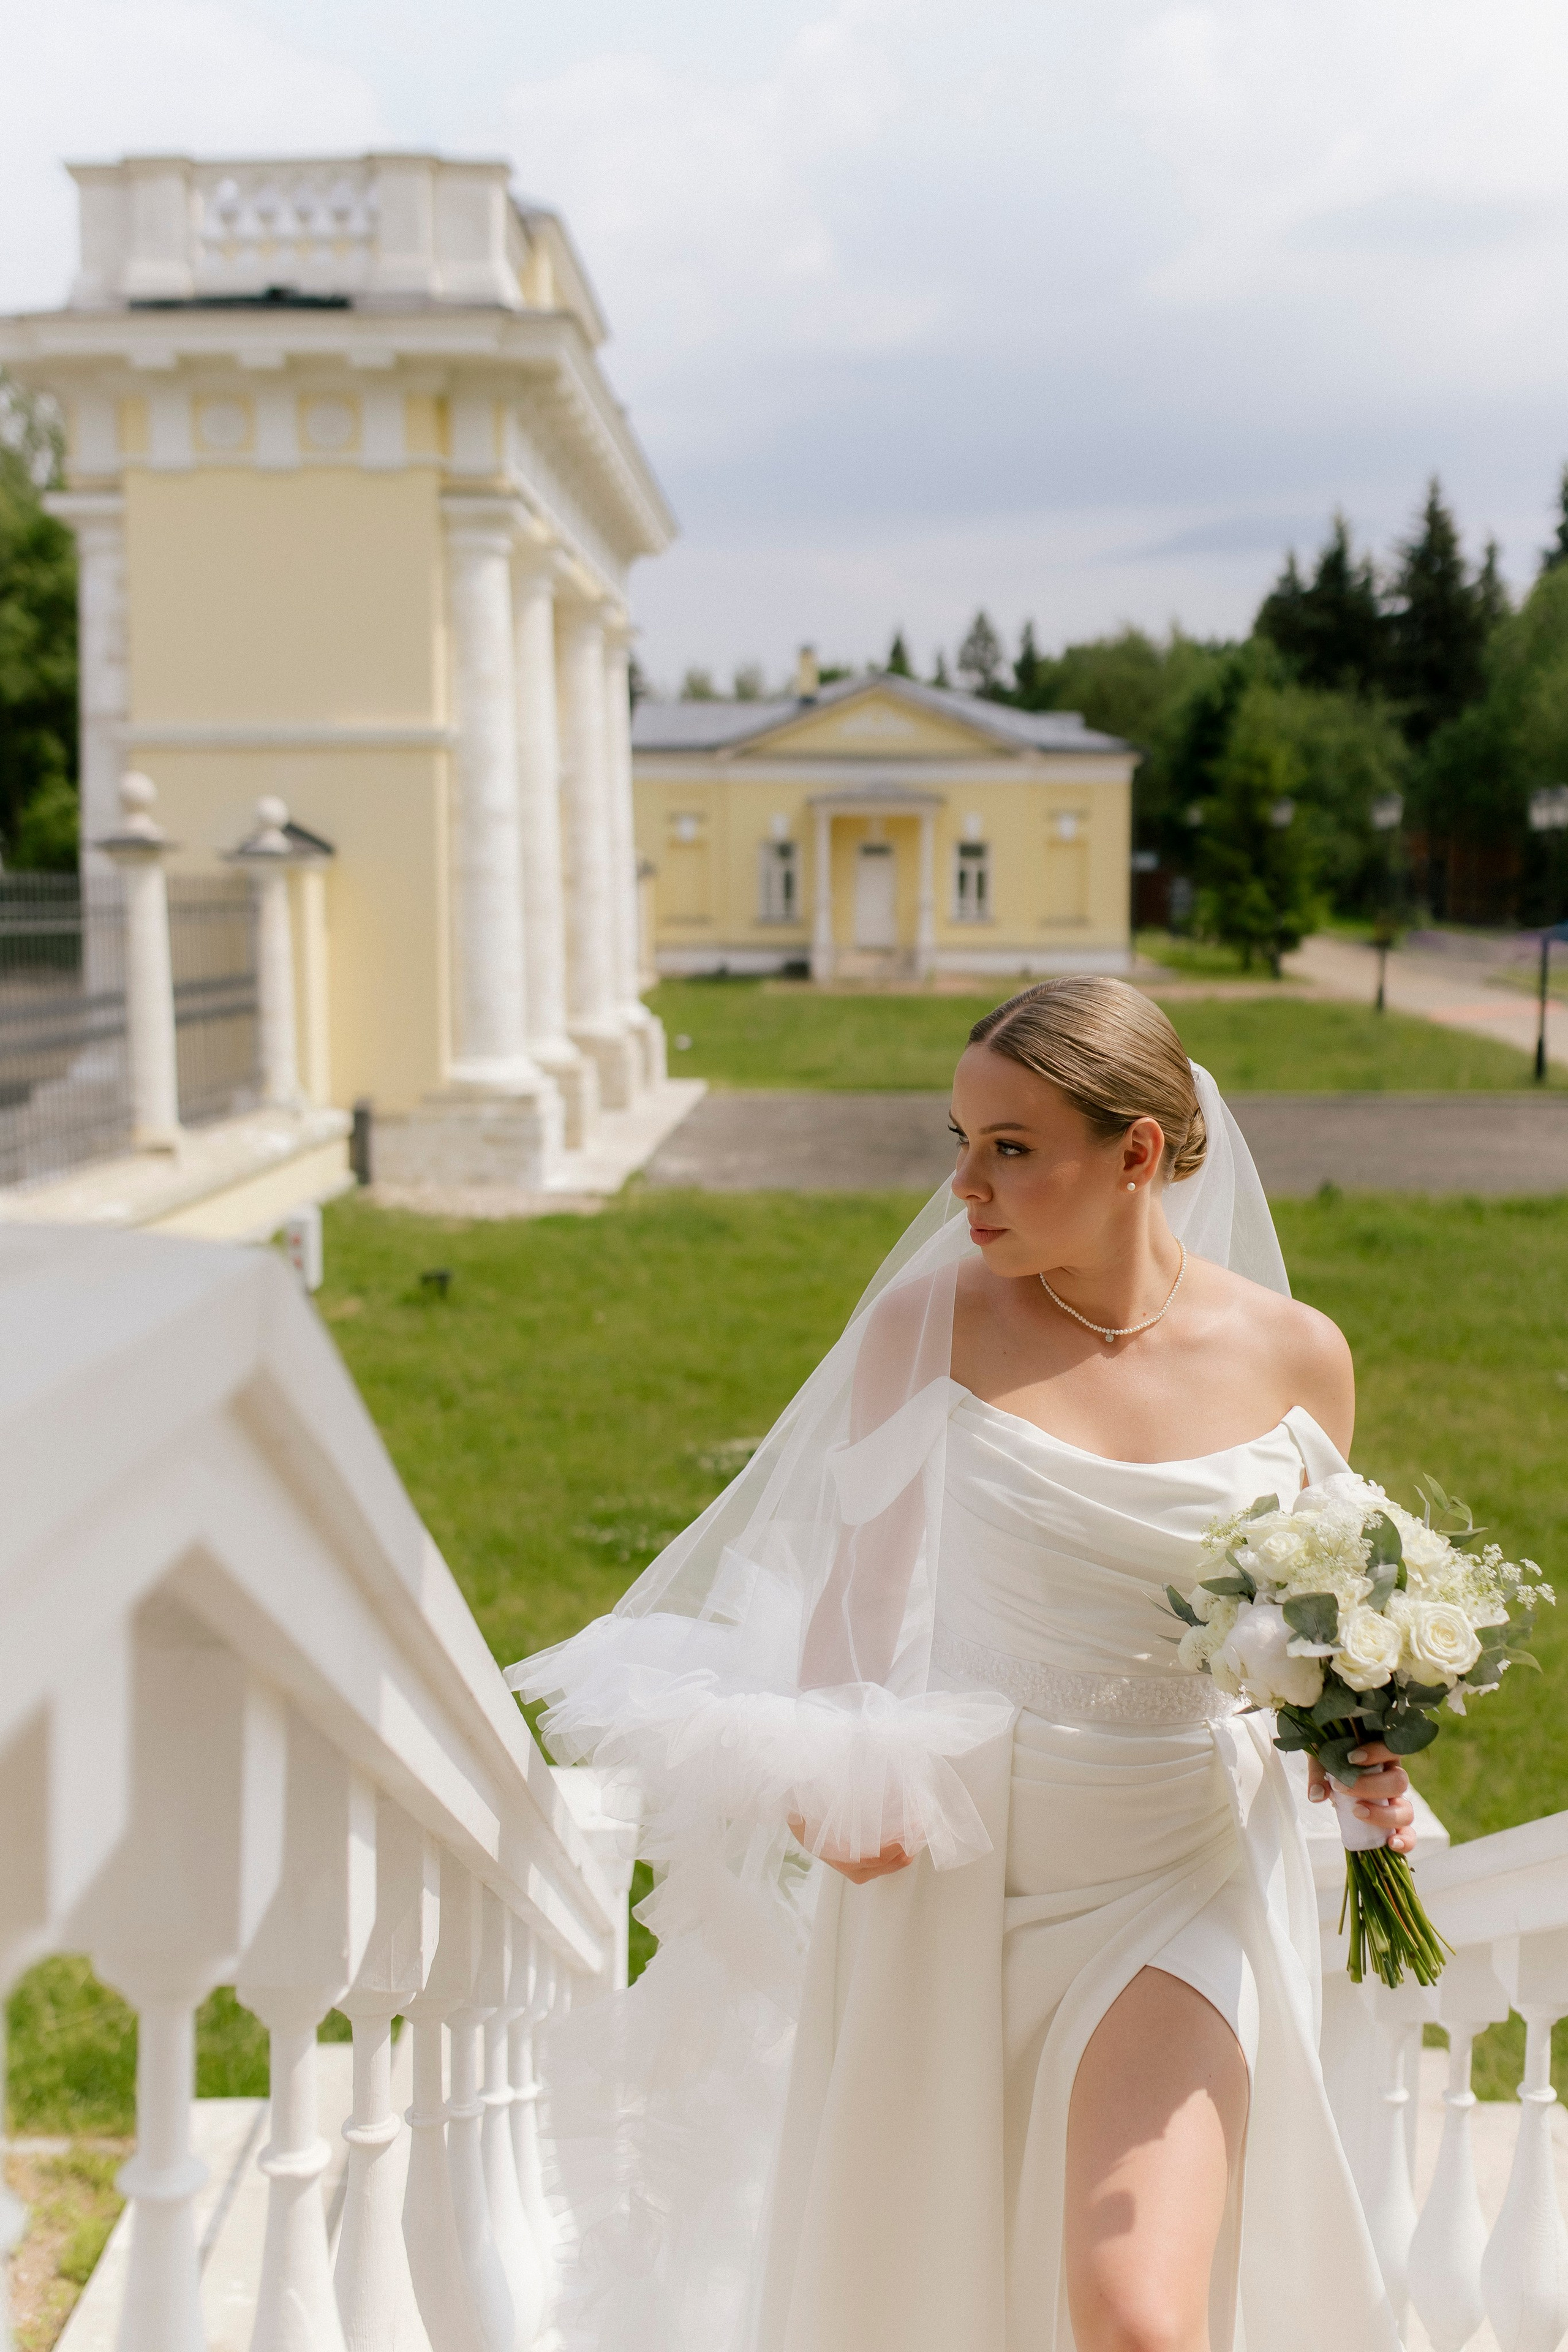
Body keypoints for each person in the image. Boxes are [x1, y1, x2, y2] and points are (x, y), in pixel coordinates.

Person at [510, 978, 1413, 2352]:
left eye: (1008, 1148)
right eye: (958, 1140)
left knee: (1135, 2313)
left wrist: (1362, 1765)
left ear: (1134, 1156)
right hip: (964, 1870)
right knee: (939, 2287)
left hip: (1181, 1866)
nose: (964, 1187)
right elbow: (858, 1615)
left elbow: (1322, 1627)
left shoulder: (1295, 1357)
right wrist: (828, 1778)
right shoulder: (928, 1328)